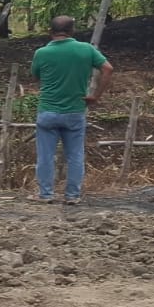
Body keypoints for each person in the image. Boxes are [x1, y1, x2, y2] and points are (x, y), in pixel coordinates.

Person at [31, 16, 113, 205]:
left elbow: (36, 76)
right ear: (72, 31)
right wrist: (95, 96)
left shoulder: (41, 53)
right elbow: (108, 69)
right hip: (75, 111)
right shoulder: (86, 49)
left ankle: (46, 194)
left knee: (45, 156)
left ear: (50, 31)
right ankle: (72, 195)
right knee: (75, 155)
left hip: (48, 111)